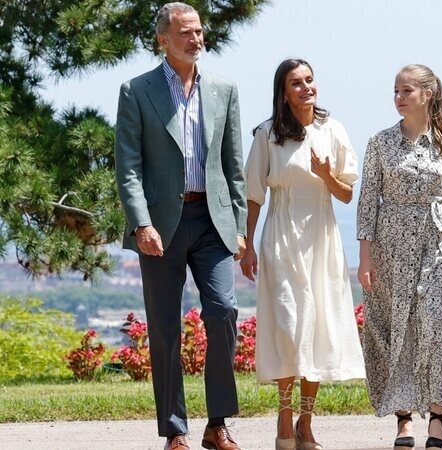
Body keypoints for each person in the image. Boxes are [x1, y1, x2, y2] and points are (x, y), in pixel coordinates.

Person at [114, 3, 246, 450]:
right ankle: (175, 430)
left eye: (199, 31)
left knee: (224, 312)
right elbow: (128, 168)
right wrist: (141, 224)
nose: (196, 39)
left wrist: (240, 225)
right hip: (161, 227)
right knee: (165, 327)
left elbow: (234, 167)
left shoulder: (224, 89)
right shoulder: (136, 91)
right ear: (164, 40)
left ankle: (217, 424)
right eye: (185, 33)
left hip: (213, 222)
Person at [241, 58, 366, 450]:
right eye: (296, 83)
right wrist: (246, 243)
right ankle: (283, 415)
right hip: (281, 235)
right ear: (283, 91)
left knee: (317, 326)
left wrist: (326, 174)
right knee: (288, 324)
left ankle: (306, 421)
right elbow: (253, 194)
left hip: (322, 237)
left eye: (310, 80)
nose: (306, 87)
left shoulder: (333, 130)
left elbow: (346, 194)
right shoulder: (267, 135)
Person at [357, 64, 442, 450]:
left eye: (406, 90)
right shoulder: (379, 142)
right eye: (395, 90)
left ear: (427, 94)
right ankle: (404, 418)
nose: (398, 97)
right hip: (390, 245)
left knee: (434, 322)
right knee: (398, 327)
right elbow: (367, 200)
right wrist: (365, 257)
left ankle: (437, 417)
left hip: (436, 242)